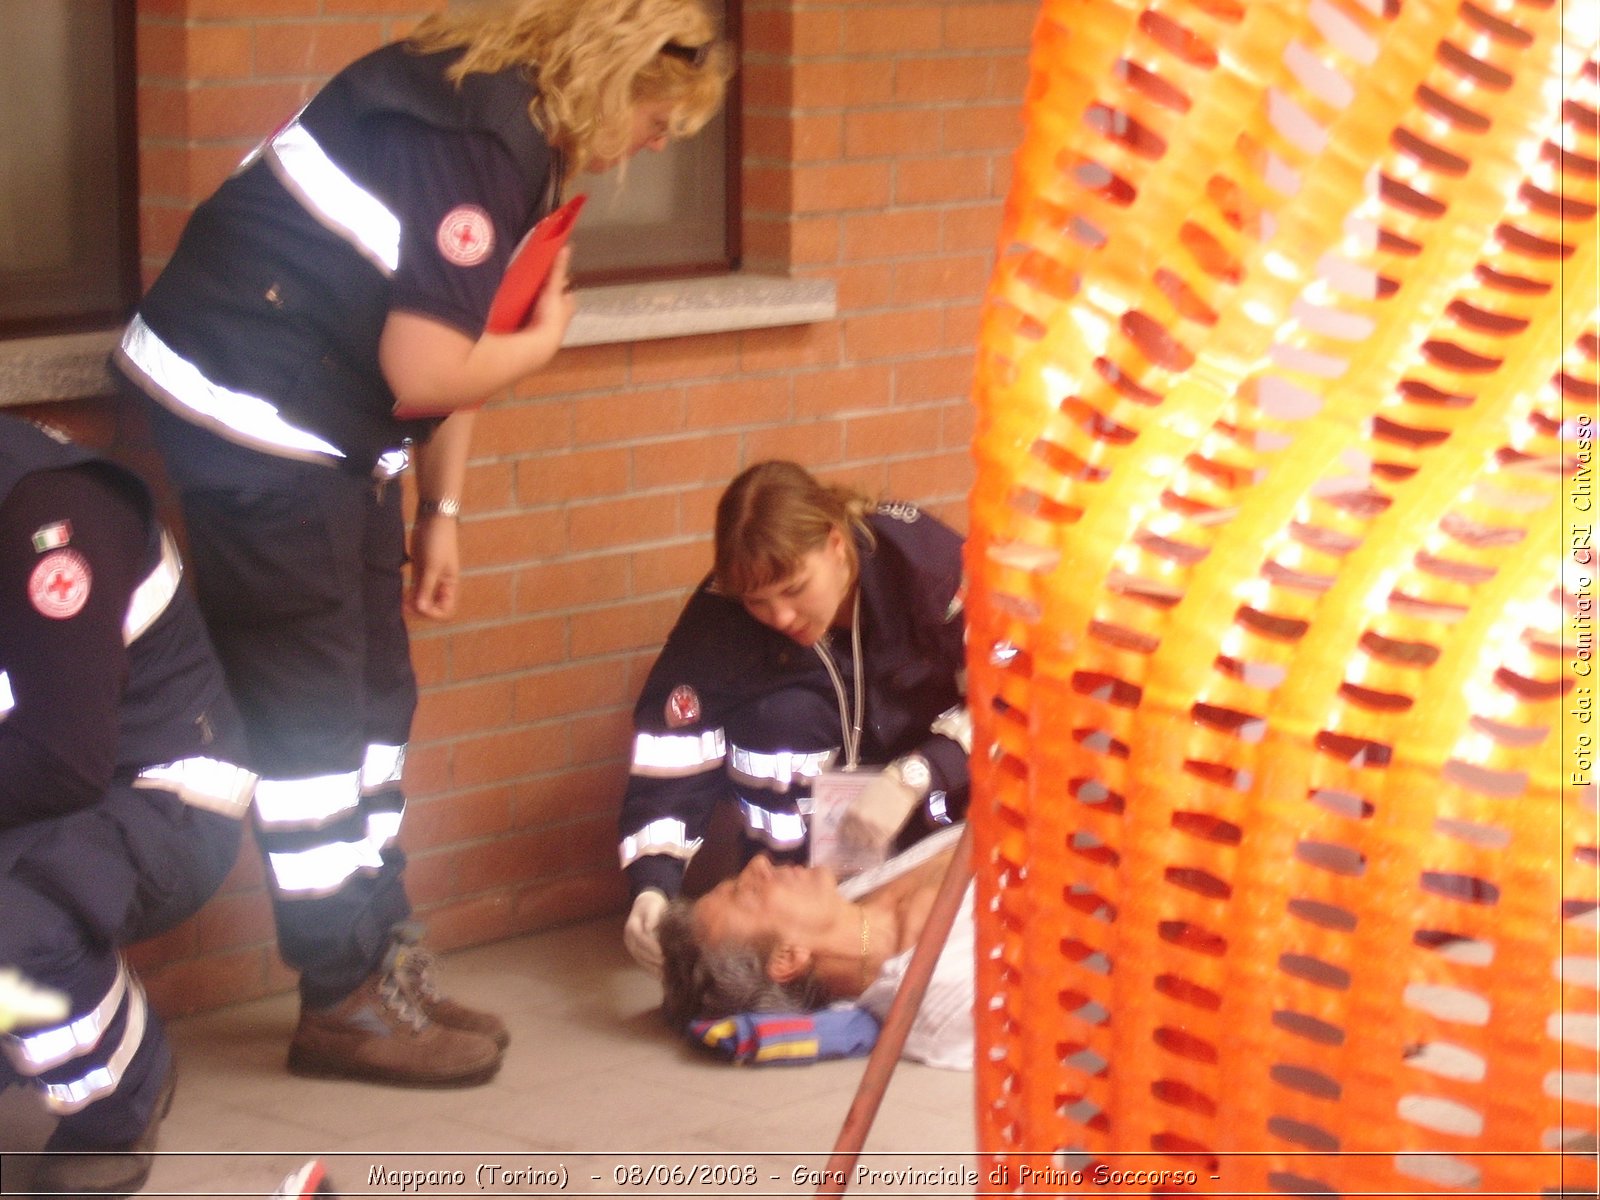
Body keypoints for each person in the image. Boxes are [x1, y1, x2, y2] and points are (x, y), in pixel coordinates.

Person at [112, 0, 731, 1088]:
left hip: (327, 432)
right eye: (663, 113)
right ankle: (339, 996)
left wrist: (441, 513)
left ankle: (379, 957)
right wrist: (543, 347)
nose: (663, 142)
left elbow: (455, 340)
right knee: (313, 726)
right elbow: (430, 368)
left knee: (374, 706)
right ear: (618, 68)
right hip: (253, 422)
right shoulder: (477, 145)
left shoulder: (507, 128)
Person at [0, 414, 254, 1197]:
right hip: (38, 791)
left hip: (161, 795)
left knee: (10, 927)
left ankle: (122, 1090)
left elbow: (64, 759)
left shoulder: (52, 514)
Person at [619, 460, 971, 977]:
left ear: (836, 545)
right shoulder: (721, 616)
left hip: (932, 842)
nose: (780, 617)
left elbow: (1019, 699)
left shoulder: (925, 567)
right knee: (782, 716)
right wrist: (654, 882)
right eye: (758, 602)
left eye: (794, 588)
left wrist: (921, 773)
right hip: (793, 890)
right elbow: (672, 756)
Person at [657, 824, 974, 1070]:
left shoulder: (856, 894)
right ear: (788, 958)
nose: (759, 862)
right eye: (748, 892)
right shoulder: (938, 992)